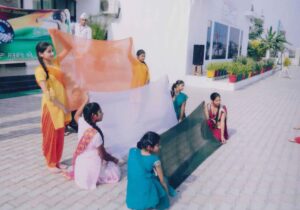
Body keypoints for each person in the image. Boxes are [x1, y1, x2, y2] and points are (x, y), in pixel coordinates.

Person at [34, 30, 72, 173]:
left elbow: (69, 48)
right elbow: (47, 94)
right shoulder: (40, 71)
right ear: (40, 54)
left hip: (61, 106)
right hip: (51, 108)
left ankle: (57, 161)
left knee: (60, 136)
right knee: (51, 136)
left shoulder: (55, 63)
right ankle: (50, 163)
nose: (52, 54)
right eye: (49, 52)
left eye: (52, 51)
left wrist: (57, 37)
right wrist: (62, 107)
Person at [64, 102, 121, 190]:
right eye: (100, 112)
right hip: (90, 169)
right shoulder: (96, 135)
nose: (102, 113)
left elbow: (76, 115)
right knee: (114, 171)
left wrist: (85, 101)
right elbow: (104, 156)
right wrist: (114, 160)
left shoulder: (82, 122)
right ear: (94, 116)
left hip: (80, 166)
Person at [126, 131, 176, 210]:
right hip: (146, 187)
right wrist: (166, 192)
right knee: (163, 182)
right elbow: (162, 180)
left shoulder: (132, 151)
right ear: (149, 147)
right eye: (157, 145)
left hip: (133, 188)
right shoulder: (155, 160)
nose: (160, 147)